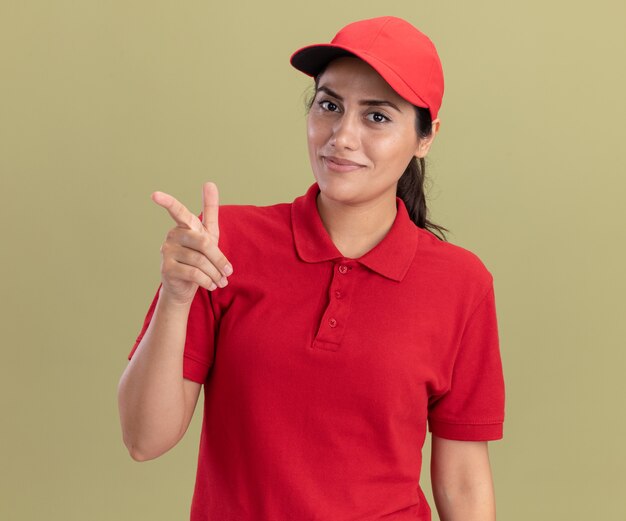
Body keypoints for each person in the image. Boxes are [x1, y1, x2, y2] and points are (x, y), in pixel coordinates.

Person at [117, 15, 505, 521]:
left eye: (377, 117)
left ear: (425, 137)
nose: (341, 137)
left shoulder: (461, 284)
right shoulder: (223, 247)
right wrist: (175, 295)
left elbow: (464, 483)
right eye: (329, 105)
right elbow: (144, 439)